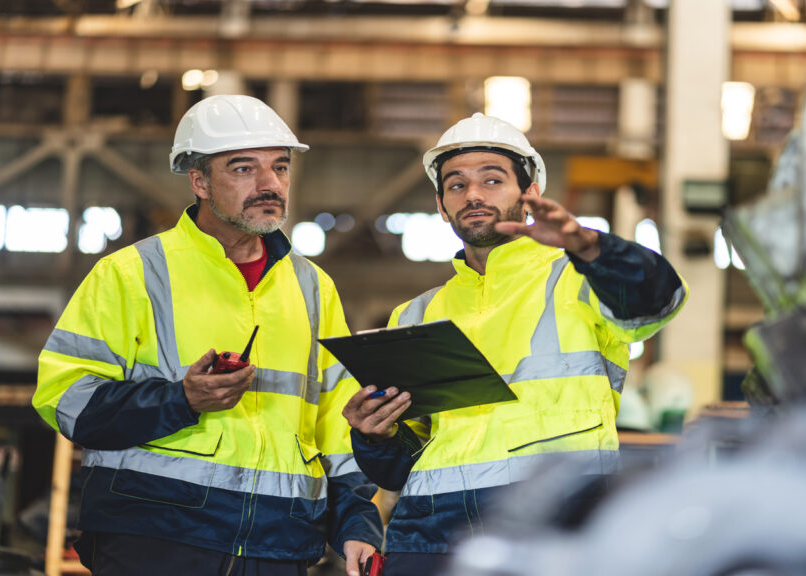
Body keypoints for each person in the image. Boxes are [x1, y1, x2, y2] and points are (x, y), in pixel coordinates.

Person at [33, 94, 382, 576]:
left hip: (277, 544)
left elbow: (337, 425)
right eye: (243, 169)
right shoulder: (131, 274)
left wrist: (357, 524)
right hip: (156, 538)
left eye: (279, 168)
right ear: (198, 181)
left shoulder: (313, 288)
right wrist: (180, 399)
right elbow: (65, 401)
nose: (269, 184)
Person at [342, 113, 687, 575]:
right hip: (429, 537)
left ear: (531, 195)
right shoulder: (415, 313)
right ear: (442, 206)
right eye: (457, 185)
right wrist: (373, 435)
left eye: (492, 179)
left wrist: (589, 247)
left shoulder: (579, 278)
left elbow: (658, 299)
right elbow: (401, 468)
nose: (474, 195)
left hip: (552, 524)